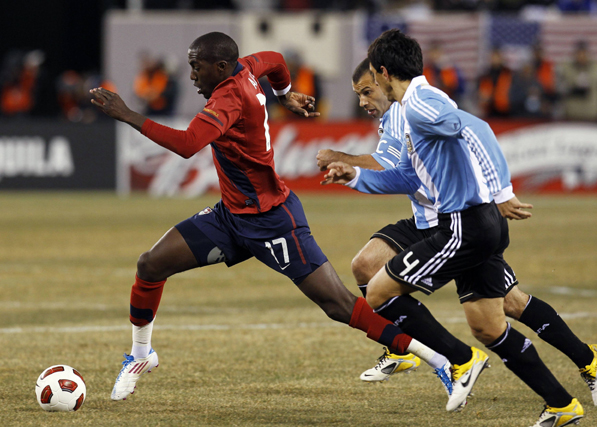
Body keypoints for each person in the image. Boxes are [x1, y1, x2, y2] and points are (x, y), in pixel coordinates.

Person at [90, 32, 456, 407]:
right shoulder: (247, 66)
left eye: (196, 66)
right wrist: (285, 95)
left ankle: (436, 358)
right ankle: (140, 356)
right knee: (150, 265)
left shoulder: (229, 98)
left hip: (273, 222)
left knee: (339, 305)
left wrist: (126, 114)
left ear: (219, 67)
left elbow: (187, 146)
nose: (192, 75)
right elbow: (276, 60)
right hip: (231, 217)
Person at [322, 29, 591, 427]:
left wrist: (501, 191)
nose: (369, 93)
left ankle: (456, 361)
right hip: (475, 224)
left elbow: (477, 129)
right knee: (488, 325)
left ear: (382, 72)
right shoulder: (415, 106)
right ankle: (562, 405)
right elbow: (408, 177)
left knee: (377, 290)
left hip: (466, 225)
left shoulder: (418, 106)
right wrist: (353, 175)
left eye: (370, 84)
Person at [560, 40, 597, 122]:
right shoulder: (566, 68)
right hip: (571, 115)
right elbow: (560, 89)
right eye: (579, 53)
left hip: (592, 116)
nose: (581, 56)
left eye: (584, 52)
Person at [477, 47, 513, 117]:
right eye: (493, 57)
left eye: (496, 57)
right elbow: (481, 90)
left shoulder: (507, 73)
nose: (495, 59)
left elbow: (513, 89)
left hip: (505, 107)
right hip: (489, 107)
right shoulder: (486, 75)